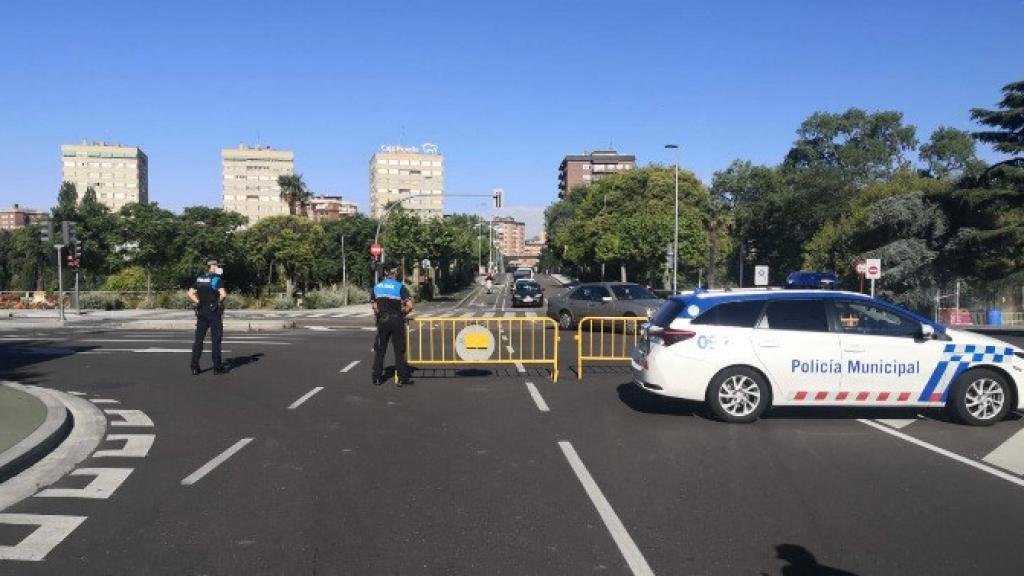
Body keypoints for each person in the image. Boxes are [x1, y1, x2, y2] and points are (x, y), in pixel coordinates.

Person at [371, 266, 414, 386]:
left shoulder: (377, 287)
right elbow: (410, 305)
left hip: (383, 320)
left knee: (380, 350)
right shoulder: (400, 286)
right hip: (396, 320)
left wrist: (379, 315)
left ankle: (377, 377)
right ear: (395, 273)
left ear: (384, 273)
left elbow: (374, 306)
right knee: (399, 350)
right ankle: (402, 378)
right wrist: (402, 313)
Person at [188, 259, 227, 375]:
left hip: (201, 311)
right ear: (214, 266)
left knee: (199, 340)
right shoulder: (216, 279)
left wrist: (198, 302)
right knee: (216, 340)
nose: (219, 267)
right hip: (213, 311)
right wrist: (217, 302)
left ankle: (194, 367)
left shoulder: (199, 278)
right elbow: (223, 294)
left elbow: (190, 293)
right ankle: (217, 367)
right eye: (218, 265)